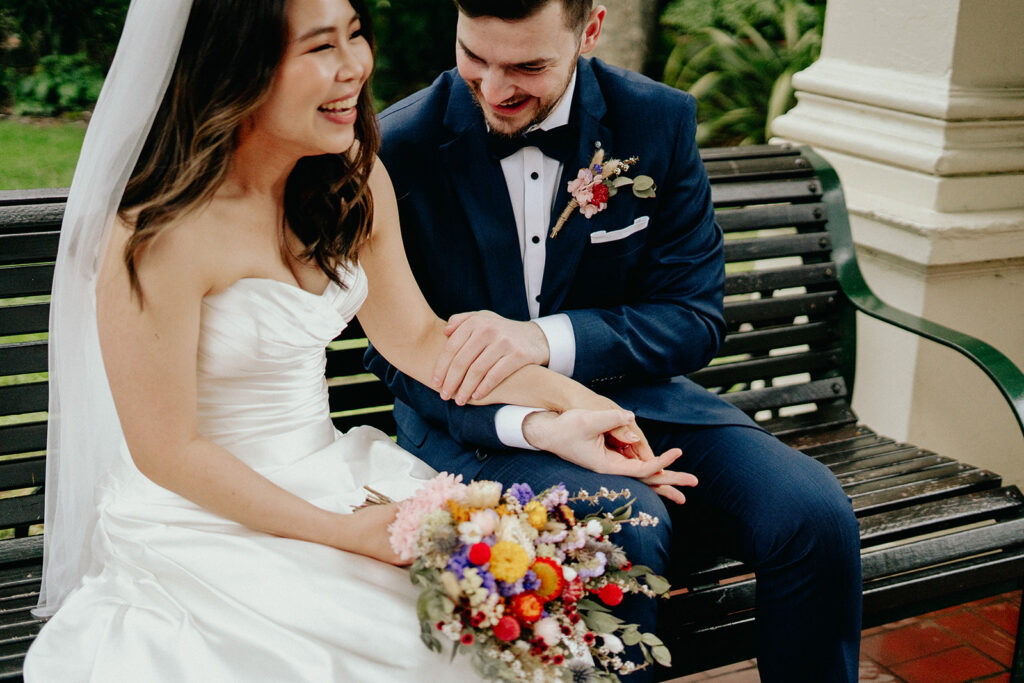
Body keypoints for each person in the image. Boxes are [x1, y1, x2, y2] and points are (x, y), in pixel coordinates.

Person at [24, 0, 696, 680]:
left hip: (337, 475)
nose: (355, 67)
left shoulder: (351, 176)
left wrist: (570, 409)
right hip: (203, 515)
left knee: (499, 627)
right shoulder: (158, 232)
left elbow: (425, 342)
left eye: (354, 35)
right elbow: (169, 451)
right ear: (240, 67)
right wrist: (345, 533)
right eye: (321, 47)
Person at [368, 1, 863, 680]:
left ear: (590, 30)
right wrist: (535, 416)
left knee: (815, 513)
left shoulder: (654, 121)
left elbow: (694, 315)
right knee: (624, 526)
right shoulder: (399, 148)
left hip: (645, 402)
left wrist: (542, 340)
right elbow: (395, 359)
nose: (492, 87)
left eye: (527, 66)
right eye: (474, 57)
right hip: (481, 423)